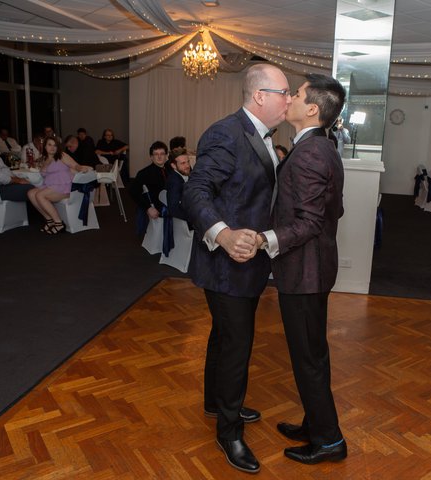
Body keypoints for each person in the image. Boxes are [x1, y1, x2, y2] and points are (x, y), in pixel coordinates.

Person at [183, 63, 291, 474]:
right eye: (284, 92)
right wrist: (224, 235)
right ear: (260, 96)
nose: (290, 99)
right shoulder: (226, 133)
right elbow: (195, 191)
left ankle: (215, 402)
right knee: (237, 345)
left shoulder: (258, 135)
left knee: (225, 337)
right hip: (226, 262)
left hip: (246, 260)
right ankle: (228, 433)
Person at [256, 74, 348, 465]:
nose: (289, 97)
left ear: (312, 108)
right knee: (313, 355)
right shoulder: (319, 146)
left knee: (308, 359)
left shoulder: (311, 152)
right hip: (313, 267)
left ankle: (329, 441)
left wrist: (265, 240)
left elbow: (309, 222)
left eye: (296, 93)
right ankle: (315, 424)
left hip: (305, 271)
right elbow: (332, 210)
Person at [27, 136, 92, 234]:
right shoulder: (44, 159)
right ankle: (49, 220)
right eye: (49, 145)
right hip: (50, 185)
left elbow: (75, 165)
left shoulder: (61, 155)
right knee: (31, 193)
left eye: (55, 145)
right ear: (45, 146)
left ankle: (58, 223)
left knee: (40, 195)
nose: (52, 147)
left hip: (64, 185)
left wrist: (80, 169)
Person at [128, 140, 169, 234]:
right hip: (157, 207)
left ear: (166, 156)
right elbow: (133, 191)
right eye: (156, 154)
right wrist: (148, 208)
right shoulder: (144, 173)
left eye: (162, 153)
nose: (159, 156)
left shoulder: (170, 170)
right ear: (151, 157)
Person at [166, 148, 191, 222]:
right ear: (173, 165)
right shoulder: (174, 182)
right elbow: (174, 209)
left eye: (188, 162)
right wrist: (195, 217)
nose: (187, 166)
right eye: (183, 163)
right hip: (186, 223)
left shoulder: (184, 172)